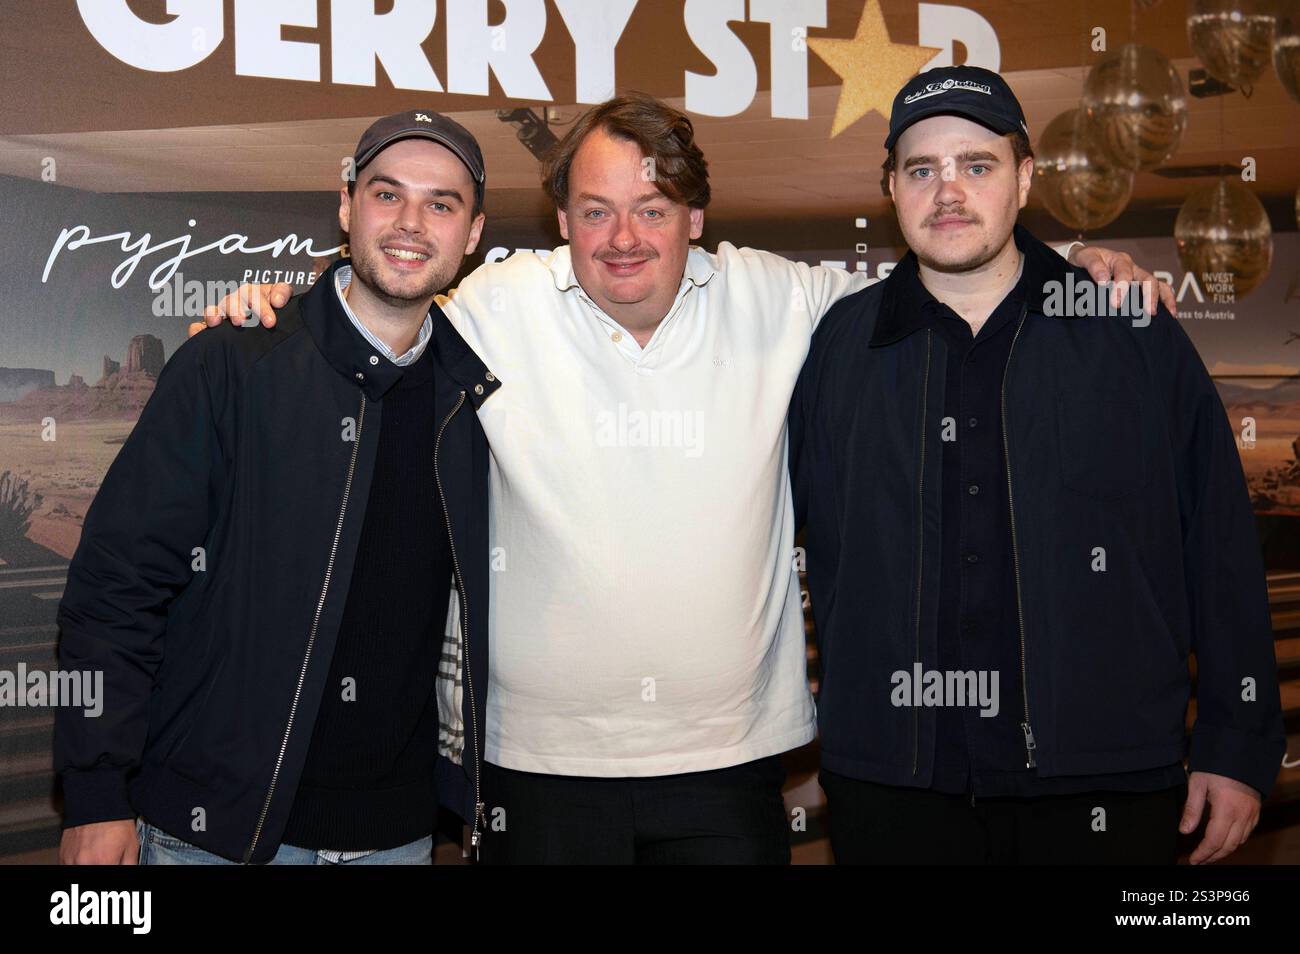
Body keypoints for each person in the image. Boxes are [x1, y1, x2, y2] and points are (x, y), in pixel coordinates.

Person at [203, 92, 1172, 864]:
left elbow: (952, 283)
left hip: (730, 771)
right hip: (534, 774)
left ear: (695, 219)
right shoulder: (495, 304)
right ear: (560, 220)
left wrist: (1074, 265)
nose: (623, 238)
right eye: (595, 211)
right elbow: (379, 303)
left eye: (652, 210)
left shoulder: (782, 298)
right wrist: (272, 312)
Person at [791, 66, 1285, 865]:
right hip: (897, 789)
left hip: (1104, 781)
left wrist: (1237, 740)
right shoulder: (839, 348)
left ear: (1024, 179)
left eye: (977, 165)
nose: (948, 190)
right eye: (922, 169)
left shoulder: (1126, 328)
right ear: (891, 187)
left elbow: (1220, 544)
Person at [56, 110, 496, 864]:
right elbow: (116, 586)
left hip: (397, 838)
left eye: (442, 204)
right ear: (345, 204)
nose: (412, 223)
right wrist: (97, 795)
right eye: (387, 195)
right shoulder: (231, 364)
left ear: (474, 232)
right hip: (213, 832)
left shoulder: (476, 398)